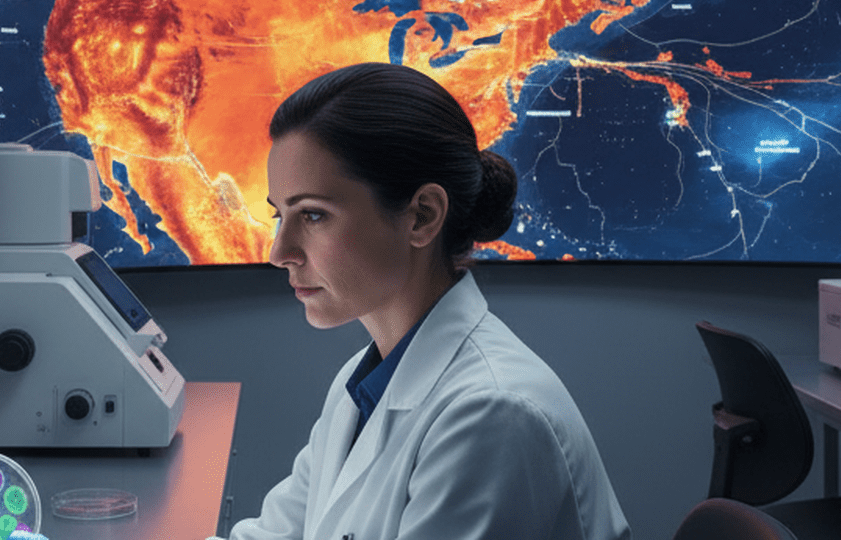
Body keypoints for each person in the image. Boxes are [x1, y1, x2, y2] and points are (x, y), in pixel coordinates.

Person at [216, 62, 631, 540]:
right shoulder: (363, 386)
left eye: (313, 215)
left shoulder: (491, 415)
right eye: (279, 214)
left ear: (422, 217)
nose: (279, 253)